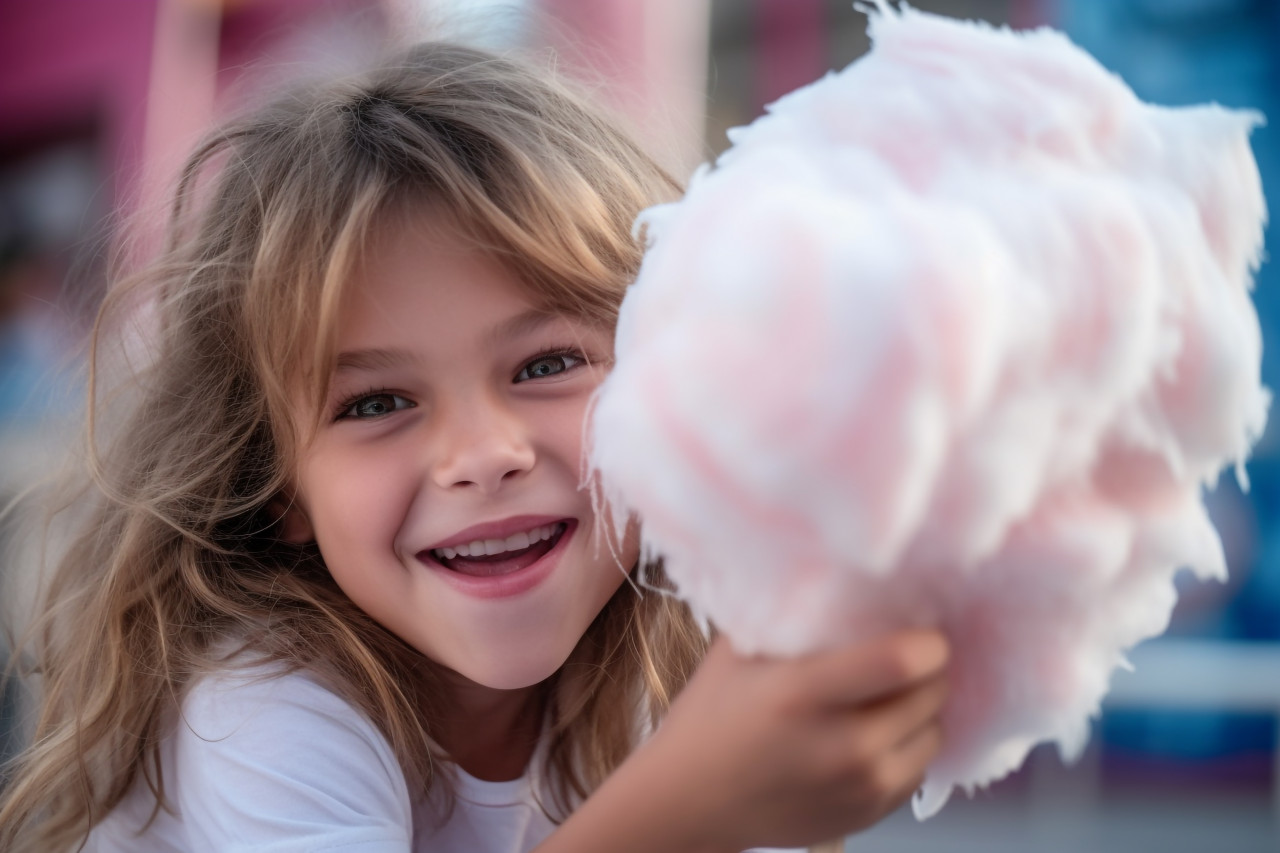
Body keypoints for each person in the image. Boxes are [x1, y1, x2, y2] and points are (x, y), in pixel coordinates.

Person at [0, 42, 949, 853]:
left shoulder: (663, 672)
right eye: (375, 402)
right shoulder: (265, 703)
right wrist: (681, 811)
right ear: (277, 484)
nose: (482, 453)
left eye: (545, 366)